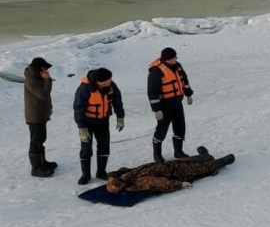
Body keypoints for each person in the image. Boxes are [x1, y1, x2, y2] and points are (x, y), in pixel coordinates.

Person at [73, 68, 126, 185]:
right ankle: (85, 174)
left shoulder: (111, 86)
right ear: (100, 81)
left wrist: (120, 116)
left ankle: (101, 171)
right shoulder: (85, 89)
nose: (111, 81)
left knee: (104, 147)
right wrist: (81, 127)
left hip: (103, 122)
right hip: (87, 123)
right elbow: (78, 108)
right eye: (108, 79)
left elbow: (117, 101)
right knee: (86, 149)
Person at [106, 147, 234, 195]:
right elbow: (163, 184)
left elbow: (122, 172)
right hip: (177, 173)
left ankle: (204, 156)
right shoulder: (141, 181)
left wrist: (116, 174)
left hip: (166, 166)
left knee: (187, 160)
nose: (123, 176)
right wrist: (180, 184)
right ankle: (224, 161)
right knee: (200, 168)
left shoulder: (128, 174)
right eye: (121, 178)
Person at [147, 47, 194, 163]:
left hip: (177, 103)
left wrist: (188, 94)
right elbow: (152, 92)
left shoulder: (177, 66)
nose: (176, 59)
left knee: (180, 128)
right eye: (174, 57)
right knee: (162, 130)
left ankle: (178, 151)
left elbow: (184, 80)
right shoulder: (156, 72)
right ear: (168, 59)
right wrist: (156, 110)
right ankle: (157, 154)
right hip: (164, 105)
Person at [24, 57, 56, 178]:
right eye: (45, 68)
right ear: (39, 69)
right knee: (36, 141)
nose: (47, 70)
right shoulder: (31, 80)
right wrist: (48, 80)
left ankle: (43, 162)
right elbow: (43, 95)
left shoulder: (37, 77)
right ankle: (36, 168)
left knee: (41, 138)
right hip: (35, 115)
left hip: (40, 113)